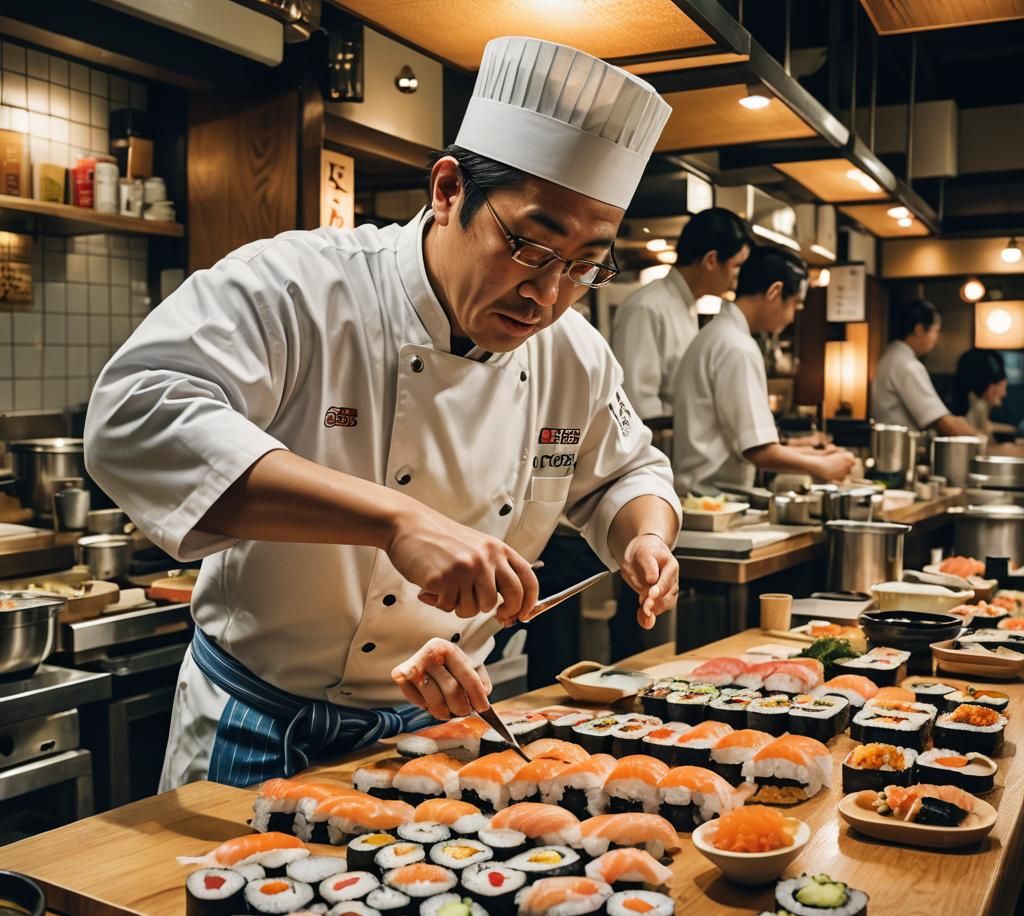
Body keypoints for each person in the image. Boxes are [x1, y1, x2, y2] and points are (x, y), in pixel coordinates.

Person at [83, 36, 683, 791]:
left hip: (440, 730)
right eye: (532, 247)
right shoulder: (299, 287)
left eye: (585, 265)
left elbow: (628, 473)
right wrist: (396, 520)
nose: (549, 295)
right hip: (256, 719)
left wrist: (645, 537)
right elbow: (135, 414)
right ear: (448, 190)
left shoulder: (575, 353)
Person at [671, 246, 855, 493]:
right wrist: (823, 466)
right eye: (795, 305)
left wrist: (813, 453)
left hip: (703, 493)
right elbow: (758, 451)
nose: (792, 317)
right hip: (712, 497)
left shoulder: (717, 334)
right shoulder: (737, 347)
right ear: (774, 292)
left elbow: (748, 441)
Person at [610, 208, 754, 420]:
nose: (738, 277)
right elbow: (637, 404)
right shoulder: (646, 307)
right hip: (658, 438)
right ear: (711, 261)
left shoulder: (688, 305)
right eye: (737, 265)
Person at [871, 299, 980, 436]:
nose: (937, 338)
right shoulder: (907, 365)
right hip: (900, 446)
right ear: (919, 330)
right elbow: (941, 421)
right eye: (936, 331)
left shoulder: (890, 356)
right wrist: (981, 439)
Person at [951, 348, 1008, 437]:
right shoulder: (966, 407)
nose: (1004, 393)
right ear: (989, 386)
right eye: (1001, 386)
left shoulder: (980, 404)